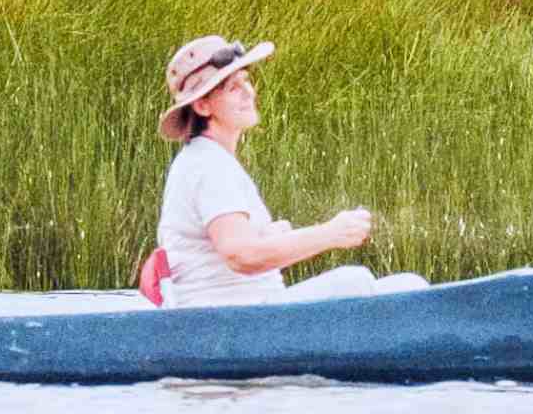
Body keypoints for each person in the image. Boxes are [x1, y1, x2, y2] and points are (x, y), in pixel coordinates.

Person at [155, 35, 428, 308]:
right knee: (353, 280)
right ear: (203, 106)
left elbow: (233, 246)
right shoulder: (208, 166)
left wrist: (268, 237)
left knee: (410, 285)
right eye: (232, 88)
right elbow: (241, 255)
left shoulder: (208, 159)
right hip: (232, 325)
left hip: (248, 315)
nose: (248, 92)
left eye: (246, 80)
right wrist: (331, 233)